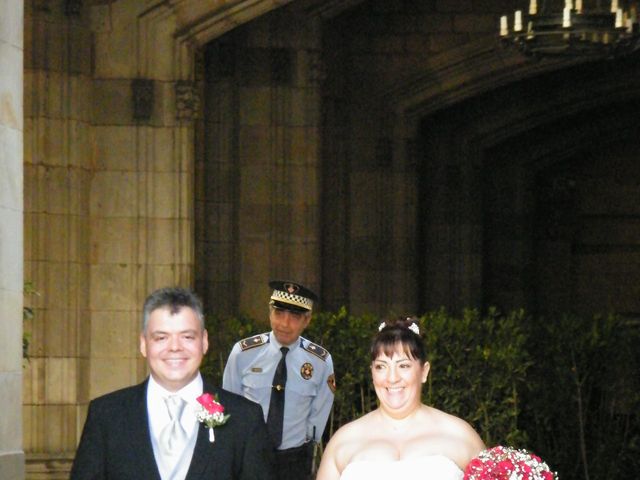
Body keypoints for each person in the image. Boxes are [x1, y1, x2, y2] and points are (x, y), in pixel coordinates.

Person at [70, 287, 275, 480]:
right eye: (161, 338)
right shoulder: (106, 416)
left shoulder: (245, 419)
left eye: (187, 337)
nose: (175, 347)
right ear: (143, 344)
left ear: (204, 341)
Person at [316, 317, 485, 480]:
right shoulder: (343, 440)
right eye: (381, 367)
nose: (392, 378)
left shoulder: (460, 435)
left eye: (403, 366)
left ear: (424, 372)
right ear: (372, 372)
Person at [223, 280, 336, 480]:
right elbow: (230, 404)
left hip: (294, 462)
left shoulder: (320, 362)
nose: (284, 323)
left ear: (307, 320)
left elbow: (319, 412)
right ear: (269, 312)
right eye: (279, 313)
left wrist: (307, 447)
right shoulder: (243, 353)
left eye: (294, 316)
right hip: (250, 457)